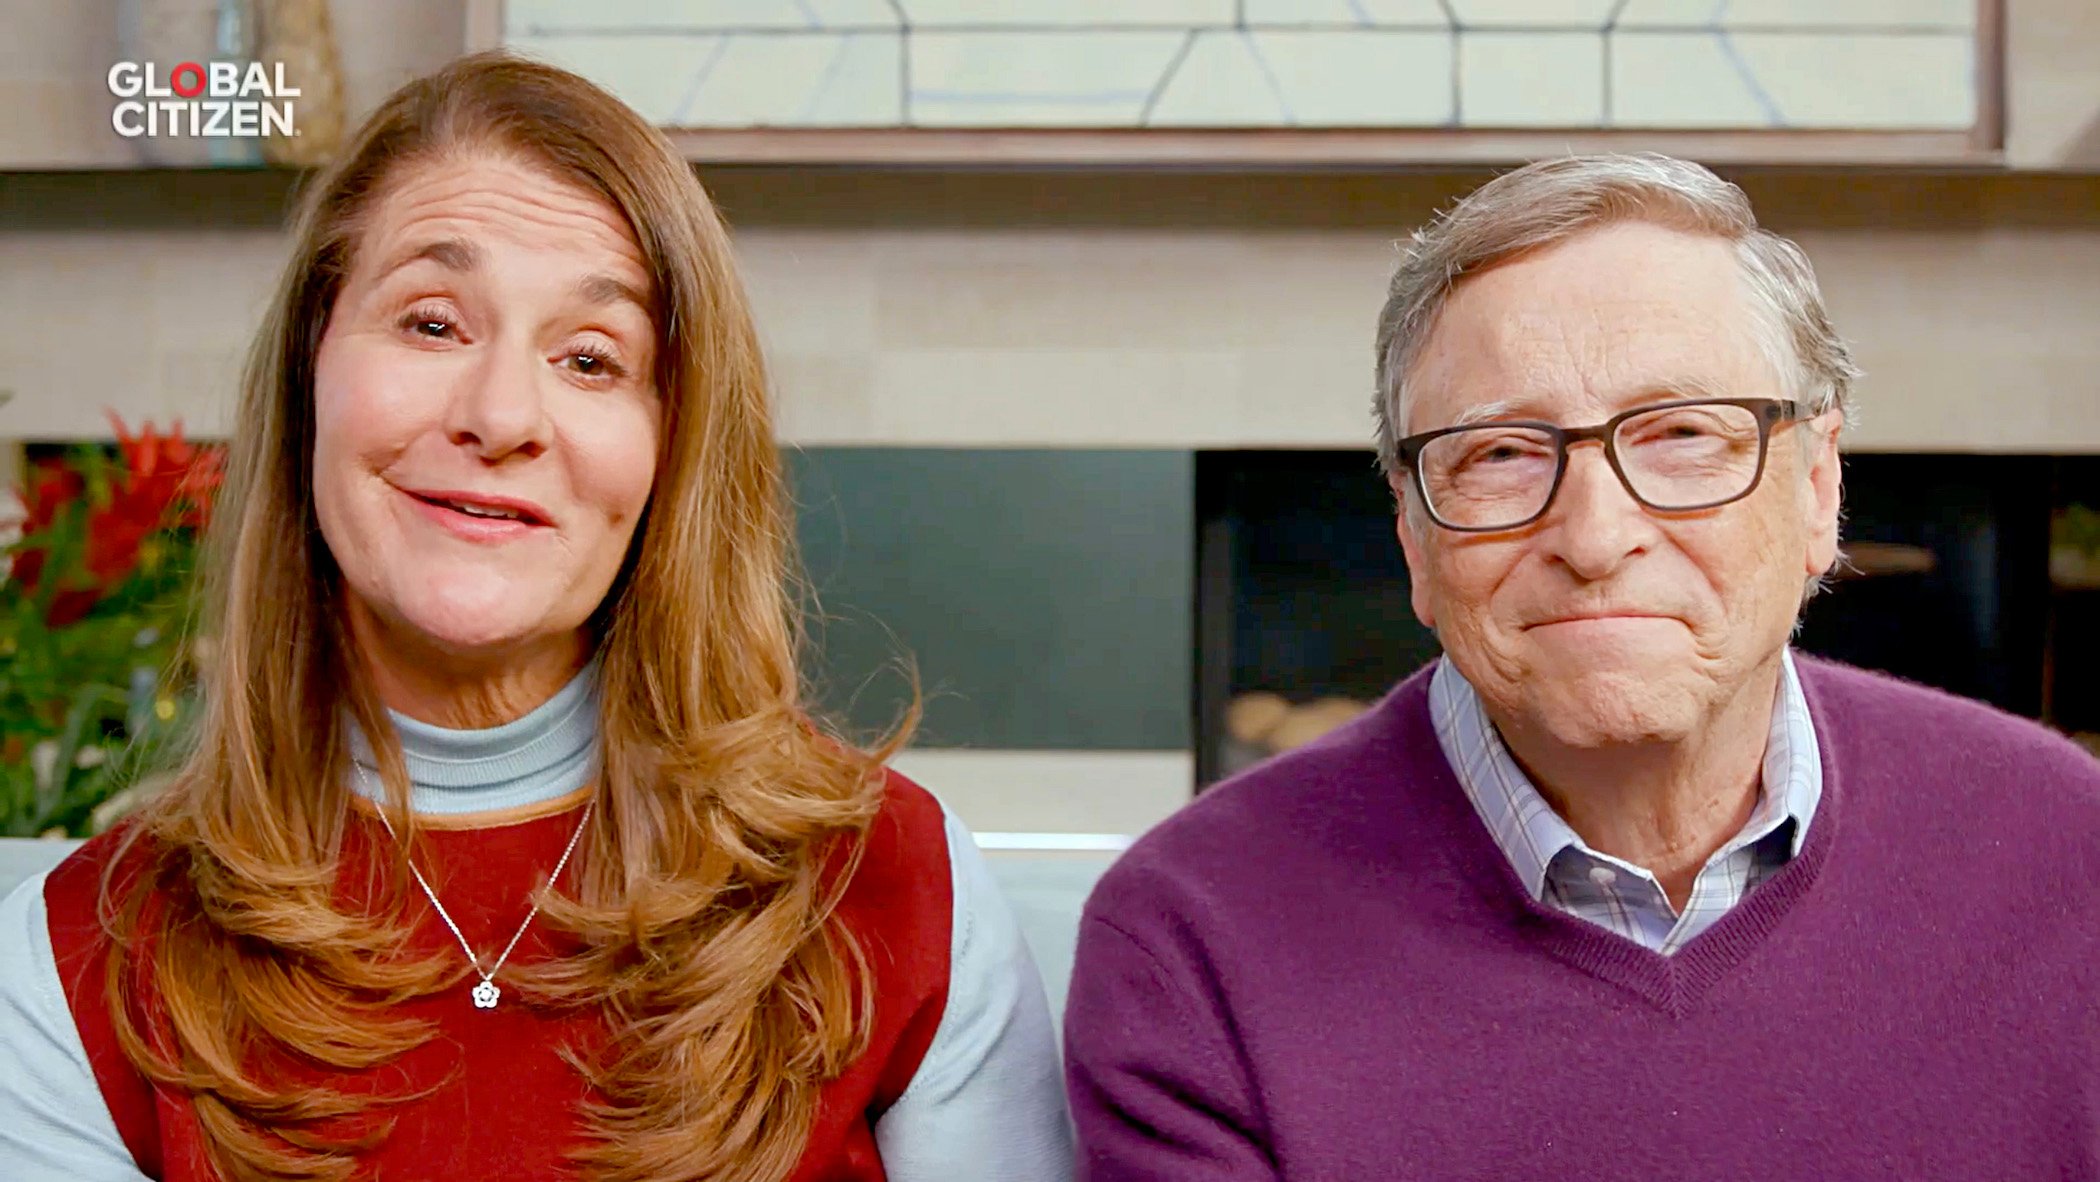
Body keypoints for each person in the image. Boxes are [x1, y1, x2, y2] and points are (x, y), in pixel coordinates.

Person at [0, 51, 1071, 1182]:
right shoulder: (78, 962)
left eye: (591, 358)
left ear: (673, 449)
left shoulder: (899, 890)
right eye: (430, 323)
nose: (503, 413)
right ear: (310, 374)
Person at [1063, 153, 2100, 1179]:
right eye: (1502, 453)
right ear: (1414, 539)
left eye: (1686, 434)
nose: (1596, 538)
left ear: (1818, 491)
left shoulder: (2069, 851)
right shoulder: (1189, 939)